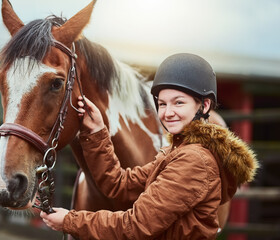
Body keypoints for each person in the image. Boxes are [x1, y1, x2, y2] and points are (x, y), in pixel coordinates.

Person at [40, 53, 259, 239]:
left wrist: (69, 220)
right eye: (162, 104)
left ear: (204, 105)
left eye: (179, 102)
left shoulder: (194, 162)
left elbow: (136, 226)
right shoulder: (174, 153)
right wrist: (98, 132)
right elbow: (119, 185)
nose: (167, 112)